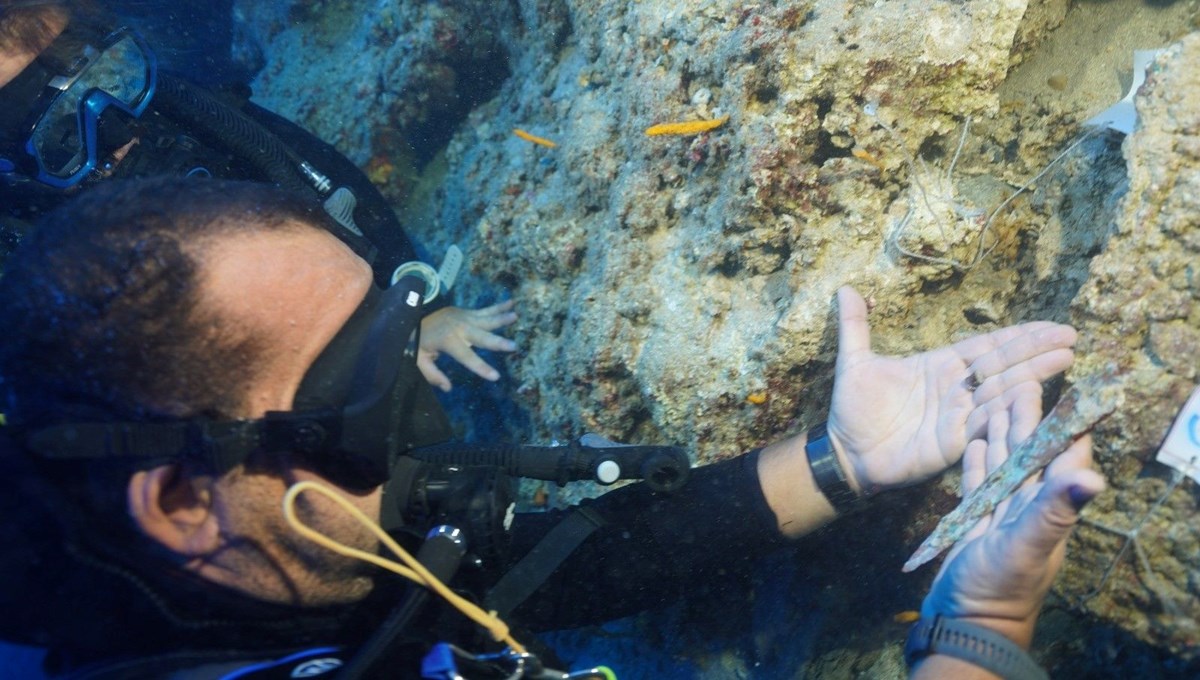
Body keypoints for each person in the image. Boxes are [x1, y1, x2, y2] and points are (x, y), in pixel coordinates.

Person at [0, 175, 1099, 679]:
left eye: (403, 329)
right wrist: (984, 629)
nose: (422, 398)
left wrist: (840, 461)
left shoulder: (290, 546)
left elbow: (549, 571)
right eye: (364, 380)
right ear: (186, 498)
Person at [0, 0, 516, 394]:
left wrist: (417, 307)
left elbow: (321, 173)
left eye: (109, 74)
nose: (115, 125)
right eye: (47, 125)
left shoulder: (182, 109)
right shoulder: (28, 278)